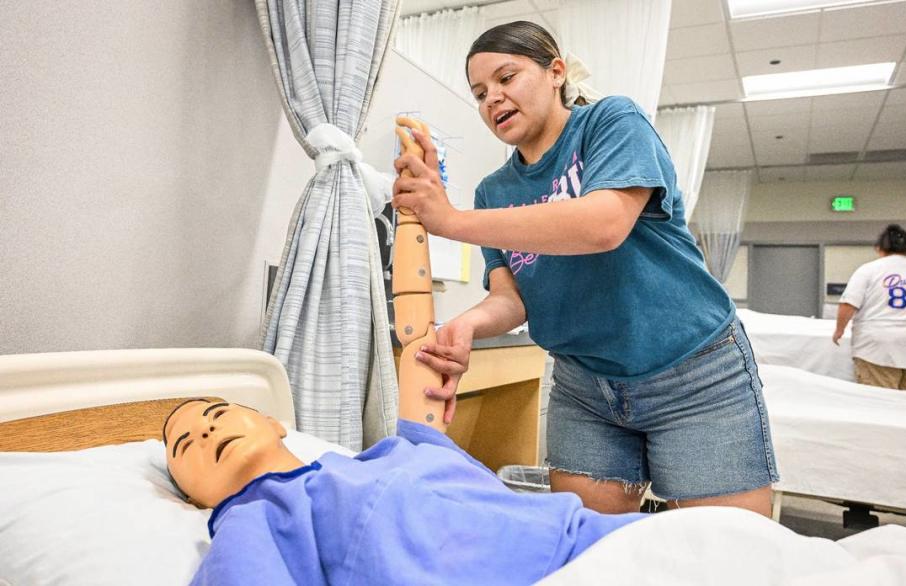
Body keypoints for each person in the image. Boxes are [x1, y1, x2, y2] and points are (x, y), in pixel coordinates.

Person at [391, 21, 778, 516]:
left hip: (693, 374)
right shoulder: (495, 192)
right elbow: (512, 299)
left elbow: (604, 224)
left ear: (556, 72)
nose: (493, 99)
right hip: (586, 388)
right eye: (481, 92)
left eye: (507, 78)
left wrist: (450, 220)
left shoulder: (610, 124)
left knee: (724, 554)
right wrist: (464, 327)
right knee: (592, 552)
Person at [163, 398, 646, 585]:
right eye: (185, 446)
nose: (205, 434)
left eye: (216, 415)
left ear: (273, 422)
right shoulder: (252, 521)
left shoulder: (390, 453)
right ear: (193, 498)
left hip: (594, 539)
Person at [833, 224, 906, 391]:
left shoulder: (869, 270)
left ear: (878, 248)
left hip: (878, 348)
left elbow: (848, 303)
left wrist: (839, 330)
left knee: (881, 406)